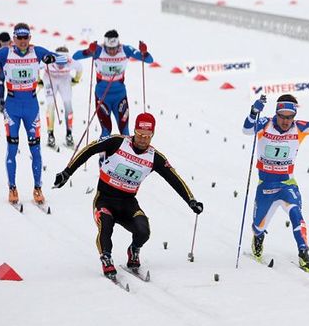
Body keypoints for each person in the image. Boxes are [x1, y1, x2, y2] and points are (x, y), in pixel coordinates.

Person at [52, 113, 204, 277]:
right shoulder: (118, 142)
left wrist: (191, 201)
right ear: (134, 131)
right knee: (106, 226)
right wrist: (67, 173)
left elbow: (174, 179)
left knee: (143, 230)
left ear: (152, 135)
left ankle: (134, 250)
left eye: (147, 136)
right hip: (105, 199)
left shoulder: (154, 157)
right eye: (139, 134)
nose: (143, 139)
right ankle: (106, 258)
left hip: (127, 203)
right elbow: (90, 149)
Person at [243, 93, 309, 271]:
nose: (286, 121)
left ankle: (303, 252)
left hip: (287, 184)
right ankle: (258, 237)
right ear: (276, 114)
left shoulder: (299, 128)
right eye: (282, 117)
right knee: (258, 226)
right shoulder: (264, 123)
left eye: (290, 117)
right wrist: (253, 112)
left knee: (296, 214)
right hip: (265, 186)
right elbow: (247, 129)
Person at [0, 23, 57, 205]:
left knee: (36, 149)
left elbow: (57, 57)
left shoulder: (36, 51)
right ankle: (12, 187)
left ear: (30, 38)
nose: (23, 41)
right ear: (14, 38)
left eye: (26, 38)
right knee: (11, 149)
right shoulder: (6, 52)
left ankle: (38, 188)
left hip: (31, 107)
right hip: (12, 106)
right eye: (20, 38)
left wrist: (51, 58)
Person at [72, 30, 153, 139]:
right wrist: (88, 51)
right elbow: (75, 56)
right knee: (106, 131)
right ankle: (102, 156)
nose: (112, 52)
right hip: (102, 96)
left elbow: (149, 60)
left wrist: (144, 52)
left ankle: (126, 155)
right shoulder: (98, 50)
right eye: (109, 49)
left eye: (114, 48)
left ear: (118, 45)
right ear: (105, 45)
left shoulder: (126, 49)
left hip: (120, 96)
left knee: (125, 132)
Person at [41, 46, 83, 148]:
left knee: (68, 104)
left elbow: (80, 68)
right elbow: (36, 67)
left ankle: (69, 134)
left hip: (65, 79)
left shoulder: (71, 61)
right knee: (50, 105)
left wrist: (76, 79)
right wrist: (38, 80)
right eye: (58, 64)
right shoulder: (48, 60)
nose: (60, 66)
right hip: (50, 79)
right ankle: (50, 135)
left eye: (62, 64)